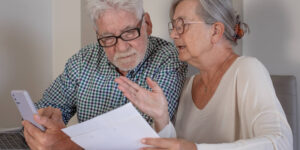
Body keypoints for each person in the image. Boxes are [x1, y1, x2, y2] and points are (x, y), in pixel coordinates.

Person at [115, 0, 293, 149]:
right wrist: (161, 117)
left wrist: (195, 148)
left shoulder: (247, 70)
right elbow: (179, 145)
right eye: (174, 26)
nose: (173, 34)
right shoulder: (188, 86)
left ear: (215, 31)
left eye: (181, 25)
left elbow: (280, 142)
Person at [22, 0, 187, 149]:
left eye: (129, 32)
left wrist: (69, 145)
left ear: (147, 24)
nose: (121, 48)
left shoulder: (169, 59)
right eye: (108, 37)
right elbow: (42, 111)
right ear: (98, 34)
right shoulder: (83, 60)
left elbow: (149, 141)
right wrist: (42, 125)